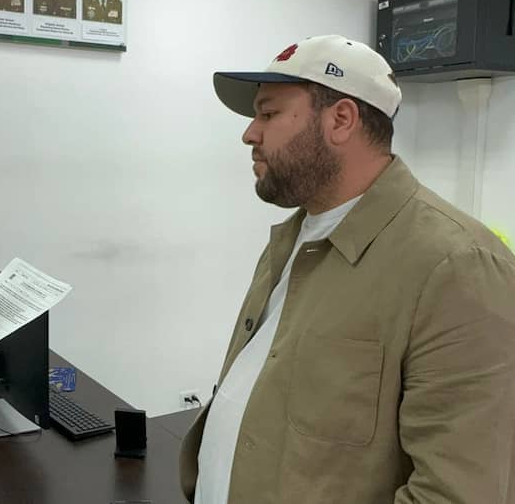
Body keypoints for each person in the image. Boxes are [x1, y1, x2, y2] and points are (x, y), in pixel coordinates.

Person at [179, 35, 515, 504]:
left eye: (269, 113)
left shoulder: (456, 265)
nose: (250, 133)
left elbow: (459, 491)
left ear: (341, 120)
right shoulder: (294, 239)